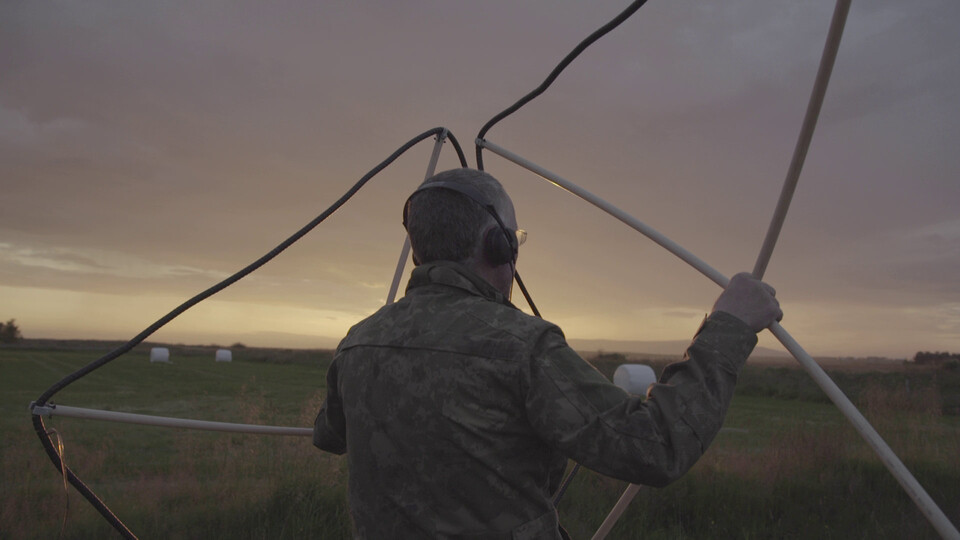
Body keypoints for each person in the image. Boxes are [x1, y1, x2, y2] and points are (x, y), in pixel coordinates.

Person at [314, 168, 782, 539]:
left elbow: (331, 435)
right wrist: (730, 327)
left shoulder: (357, 341)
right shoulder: (522, 347)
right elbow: (654, 448)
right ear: (494, 245)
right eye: (512, 241)